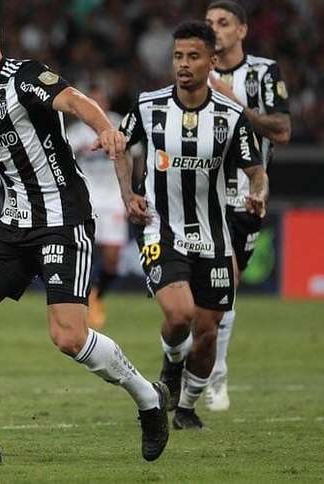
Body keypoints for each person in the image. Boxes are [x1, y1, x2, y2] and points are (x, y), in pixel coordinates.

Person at [0, 6, 169, 464]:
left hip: (62, 221)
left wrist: (105, 129)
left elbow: (77, 102)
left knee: (69, 338)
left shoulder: (25, 76)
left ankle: (148, 396)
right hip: (14, 222)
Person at [118, 21, 267, 429]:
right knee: (180, 314)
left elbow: (256, 171)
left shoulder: (232, 115)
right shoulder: (149, 106)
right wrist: (127, 194)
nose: (184, 65)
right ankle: (171, 362)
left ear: (212, 62)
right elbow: (119, 144)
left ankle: (185, 407)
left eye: (193, 56)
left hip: (215, 238)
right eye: (178, 56)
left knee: (207, 333)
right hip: (161, 228)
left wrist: (259, 192)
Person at [204, 0, 291, 411]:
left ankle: (214, 375)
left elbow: (283, 129)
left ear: (241, 31)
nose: (214, 30)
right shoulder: (192, 67)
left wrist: (231, 100)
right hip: (196, 192)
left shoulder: (263, 72)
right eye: (209, 23)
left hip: (245, 192)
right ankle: (192, 365)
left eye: (223, 23)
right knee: (190, 292)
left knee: (226, 285)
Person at [66, 86, 129, 329]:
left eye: (101, 100)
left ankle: (97, 296)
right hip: (88, 198)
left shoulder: (119, 125)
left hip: (113, 198)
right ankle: (81, 302)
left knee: (112, 258)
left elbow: (134, 155)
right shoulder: (75, 133)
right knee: (84, 253)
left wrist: (129, 192)